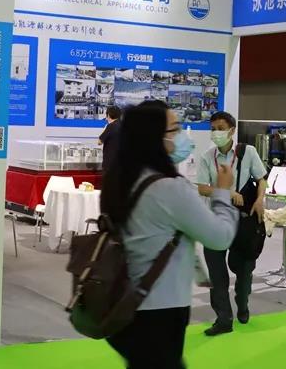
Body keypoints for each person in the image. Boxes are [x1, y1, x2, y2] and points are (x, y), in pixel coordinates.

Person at [102, 100, 237, 369]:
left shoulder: (121, 180)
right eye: (175, 129)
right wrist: (223, 192)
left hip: (122, 303)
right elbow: (219, 237)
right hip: (160, 309)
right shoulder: (169, 188)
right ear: (154, 138)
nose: (182, 136)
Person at [195, 111, 267, 336]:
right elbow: (202, 187)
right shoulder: (207, 157)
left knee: (244, 269)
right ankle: (223, 319)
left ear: (232, 131)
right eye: (213, 129)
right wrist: (226, 192)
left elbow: (261, 179)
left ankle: (242, 303)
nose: (216, 133)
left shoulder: (248, 152)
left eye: (220, 128)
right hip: (215, 220)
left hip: (243, 221)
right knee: (217, 274)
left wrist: (260, 200)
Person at [100, 105, 122, 173]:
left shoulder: (110, 126)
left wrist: (105, 129)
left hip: (110, 162)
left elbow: (99, 141)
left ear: (108, 115)